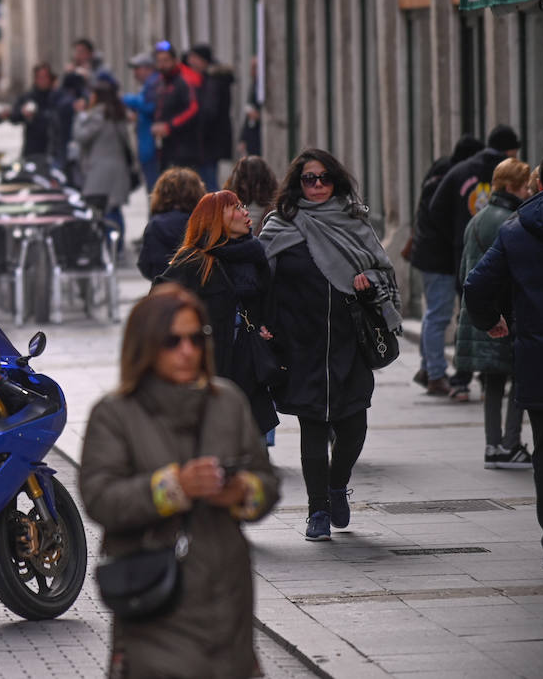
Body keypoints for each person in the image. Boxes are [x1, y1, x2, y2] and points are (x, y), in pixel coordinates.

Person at [79, 285, 279, 679]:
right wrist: (175, 488)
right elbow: (100, 497)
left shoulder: (228, 403)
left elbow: (266, 481)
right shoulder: (116, 414)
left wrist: (243, 492)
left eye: (197, 337)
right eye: (173, 341)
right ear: (146, 345)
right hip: (156, 603)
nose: (187, 350)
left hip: (229, 606)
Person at [258, 149, 399, 541]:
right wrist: (264, 327)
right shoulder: (280, 224)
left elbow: (382, 268)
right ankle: (317, 510)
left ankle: (338, 486)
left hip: (347, 341)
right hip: (300, 344)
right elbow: (260, 280)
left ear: (335, 180)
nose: (317, 185)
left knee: (354, 426)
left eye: (324, 178)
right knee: (314, 428)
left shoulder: (355, 221)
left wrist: (368, 279)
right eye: (309, 179)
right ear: (297, 183)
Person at [464, 150, 543, 573]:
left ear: (538, 184)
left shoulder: (516, 229)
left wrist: (492, 321)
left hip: (539, 359)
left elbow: (477, 286)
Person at [156, 191, 278, 435]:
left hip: (248, 365)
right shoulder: (194, 260)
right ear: (214, 219)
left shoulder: (255, 254)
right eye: (235, 208)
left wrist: (267, 327)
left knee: (254, 447)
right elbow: (158, 303)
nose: (245, 213)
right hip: (209, 368)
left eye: (243, 206)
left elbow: (268, 300)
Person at [423, 126, 520, 399]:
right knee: (507, 311)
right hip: (504, 249)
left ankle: (463, 378)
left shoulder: (461, 170)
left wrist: (456, 234)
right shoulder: (510, 171)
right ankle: (501, 372)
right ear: (509, 150)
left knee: (467, 312)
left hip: (467, 250)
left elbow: (436, 208)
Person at [457, 158, 534, 469]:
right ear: (513, 187)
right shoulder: (511, 220)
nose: (529, 191)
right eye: (525, 185)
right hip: (503, 316)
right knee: (519, 378)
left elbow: (463, 271)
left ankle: (493, 445)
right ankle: (510, 442)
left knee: (492, 382)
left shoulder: (478, 218)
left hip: (480, 314)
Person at [408, 134, 486, 396]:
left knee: (435, 315)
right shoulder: (452, 176)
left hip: (432, 255)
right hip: (439, 258)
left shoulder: (441, 171)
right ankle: (436, 375)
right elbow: (439, 217)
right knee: (439, 315)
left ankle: (429, 368)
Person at [72, 77, 133, 240]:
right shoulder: (118, 113)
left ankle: (111, 246)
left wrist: (80, 115)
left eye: (92, 94)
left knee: (106, 210)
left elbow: (81, 136)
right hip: (118, 169)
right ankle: (117, 246)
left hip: (102, 171)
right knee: (114, 209)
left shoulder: (98, 115)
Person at [137, 167, 206, 281]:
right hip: (199, 291)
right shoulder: (203, 223)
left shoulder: (156, 225)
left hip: (164, 288)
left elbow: (145, 264)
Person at [186, 44, 233, 192]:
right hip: (208, 142)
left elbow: (209, 112)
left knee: (208, 182)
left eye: (194, 58)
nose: (191, 62)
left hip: (208, 142)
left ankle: (215, 213)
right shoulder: (209, 80)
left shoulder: (213, 81)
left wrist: (195, 127)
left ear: (203, 60)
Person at [150, 40, 202, 172]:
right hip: (165, 147)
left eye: (166, 60)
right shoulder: (161, 83)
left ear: (174, 60)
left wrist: (169, 126)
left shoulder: (184, 81)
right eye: (159, 61)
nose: (162, 65)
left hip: (184, 148)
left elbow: (193, 109)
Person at [122, 52, 160, 192]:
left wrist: (125, 99)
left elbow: (150, 106)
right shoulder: (148, 86)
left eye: (137, 69)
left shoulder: (154, 83)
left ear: (148, 68)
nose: (135, 73)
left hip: (151, 146)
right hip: (147, 144)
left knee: (154, 187)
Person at [7, 62, 58, 159]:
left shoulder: (56, 97)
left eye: (45, 77)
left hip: (53, 150)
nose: (42, 81)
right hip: (32, 150)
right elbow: (13, 117)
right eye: (39, 77)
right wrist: (23, 113)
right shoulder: (28, 97)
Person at [224, 155, 279, 236]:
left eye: (248, 179)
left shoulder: (273, 203)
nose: (244, 184)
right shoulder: (231, 200)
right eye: (242, 178)